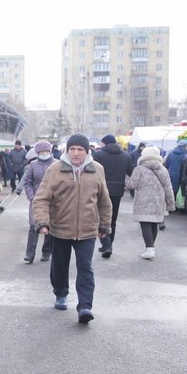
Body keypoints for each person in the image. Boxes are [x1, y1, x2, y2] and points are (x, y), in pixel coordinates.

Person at [32, 133, 112, 324]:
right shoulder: (55, 169)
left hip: (87, 229)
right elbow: (41, 199)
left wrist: (105, 225)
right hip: (60, 228)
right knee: (60, 264)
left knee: (86, 267)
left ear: (87, 151)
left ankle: (85, 306)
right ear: (67, 151)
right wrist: (42, 222)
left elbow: (104, 200)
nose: (76, 153)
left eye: (80, 150)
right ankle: (60, 293)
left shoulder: (97, 169)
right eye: (72, 149)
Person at [125, 145, 175, 260]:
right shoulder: (163, 169)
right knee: (154, 223)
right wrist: (171, 204)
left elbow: (131, 185)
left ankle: (149, 248)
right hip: (159, 201)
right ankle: (151, 248)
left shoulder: (139, 169)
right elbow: (168, 188)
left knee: (145, 223)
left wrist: (125, 177)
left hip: (143, 201)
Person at [92, 134, 133, 259]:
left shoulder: (98, 155)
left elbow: (91, 171)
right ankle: (109, 244)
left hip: (101, 190)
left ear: (105, 143)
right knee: (112, 219)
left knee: (100, 217)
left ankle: (106, 243)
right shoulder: (126, 155)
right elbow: (131, 172)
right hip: (117, 191)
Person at [19, 140, 56, 263]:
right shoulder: (32, 165)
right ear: (37, 152)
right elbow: (27, 181)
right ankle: (30, 254)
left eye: (46, 151)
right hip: (36, 201)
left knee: (49, 228)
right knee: (33, 227)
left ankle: (46, 252)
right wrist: (31, 196)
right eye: (42, 151)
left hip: (52, 201)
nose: (44, 153)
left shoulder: (56, 164)